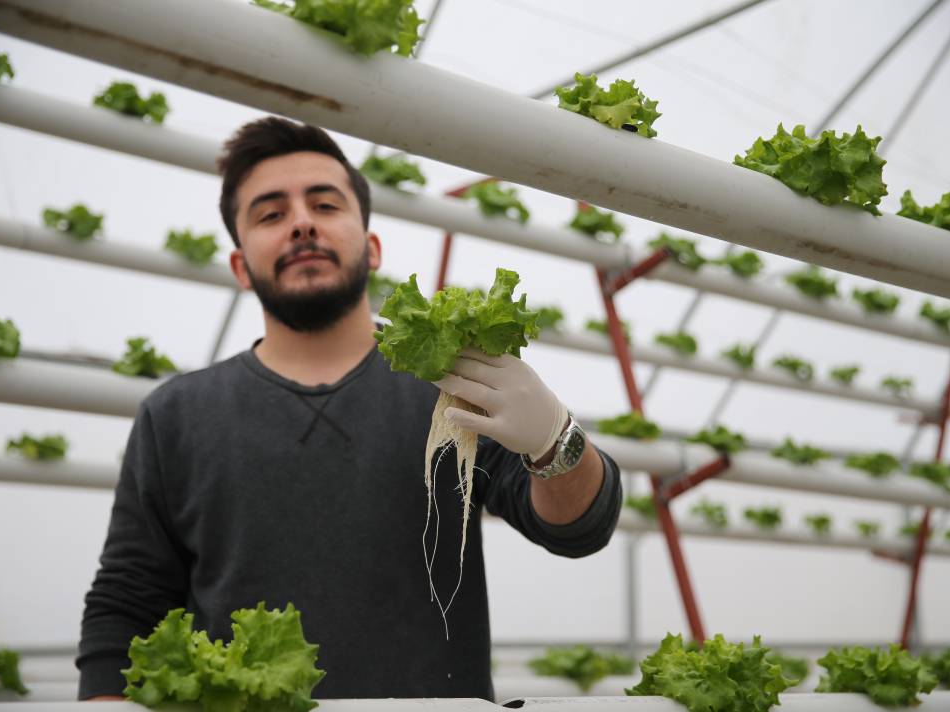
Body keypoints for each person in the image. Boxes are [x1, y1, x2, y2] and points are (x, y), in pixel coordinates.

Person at [78, 117, 623, 702]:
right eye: (270, 214)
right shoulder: (175, 415)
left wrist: (554, 440)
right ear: (240, 266)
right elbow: (127, 603)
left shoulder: (449, 388)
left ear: (372, 247)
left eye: (325, 204)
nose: (302, 223)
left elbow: (578, 529)